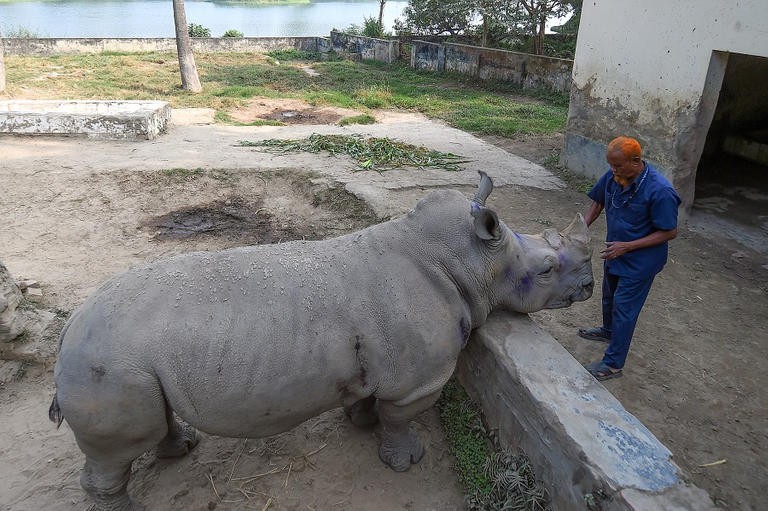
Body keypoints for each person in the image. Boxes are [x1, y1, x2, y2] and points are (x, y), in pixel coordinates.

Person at [578, 136, 681, 381]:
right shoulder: (615, 176)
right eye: (611, 165)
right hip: (616, 252)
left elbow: (670, 231)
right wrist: (578, 230)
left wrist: (628, 246)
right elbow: (597, 202)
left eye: (618, 166)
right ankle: (609, 330)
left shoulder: (660, 191)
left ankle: (613, 365)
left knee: (624, 307)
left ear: (636, 161)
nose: (613, 170)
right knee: (609, 296)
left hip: (640, 261)